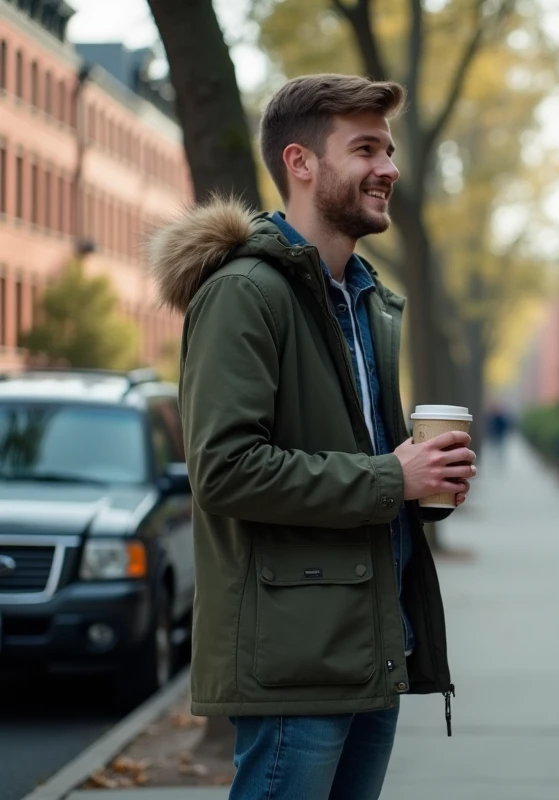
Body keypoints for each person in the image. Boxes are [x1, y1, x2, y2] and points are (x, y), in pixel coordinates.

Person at [148, 73, 473, 800]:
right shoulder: (245, 293)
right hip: (294, 660)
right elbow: (225, 470)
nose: (388, 168)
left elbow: (353, 459)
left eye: (389, 150)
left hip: (372, 645)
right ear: (300, 162)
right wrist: (393, 478)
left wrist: (423, 480)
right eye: (365, 149)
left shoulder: (365, 300)